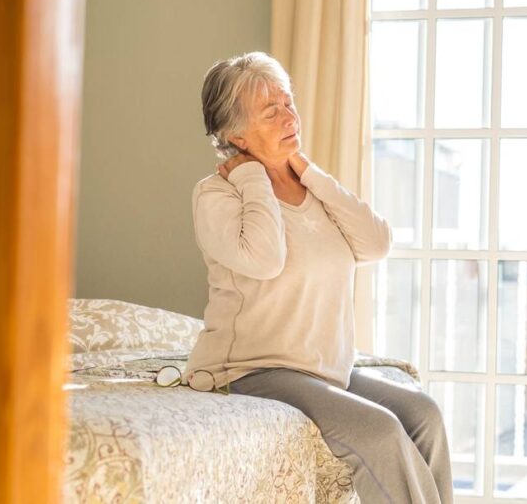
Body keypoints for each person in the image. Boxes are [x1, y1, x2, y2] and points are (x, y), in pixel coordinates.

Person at [183, 51, 454, 504]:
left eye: (288, 103)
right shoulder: (217, 194)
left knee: (424, 414)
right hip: (253, 369)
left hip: (323, 368)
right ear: (236, 136)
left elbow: (375, 243)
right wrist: (254, 176)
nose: (290, 115)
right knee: (381, 432)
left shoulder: (312, 188)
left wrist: (308, 172)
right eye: (272, 112)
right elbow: (264, 258)